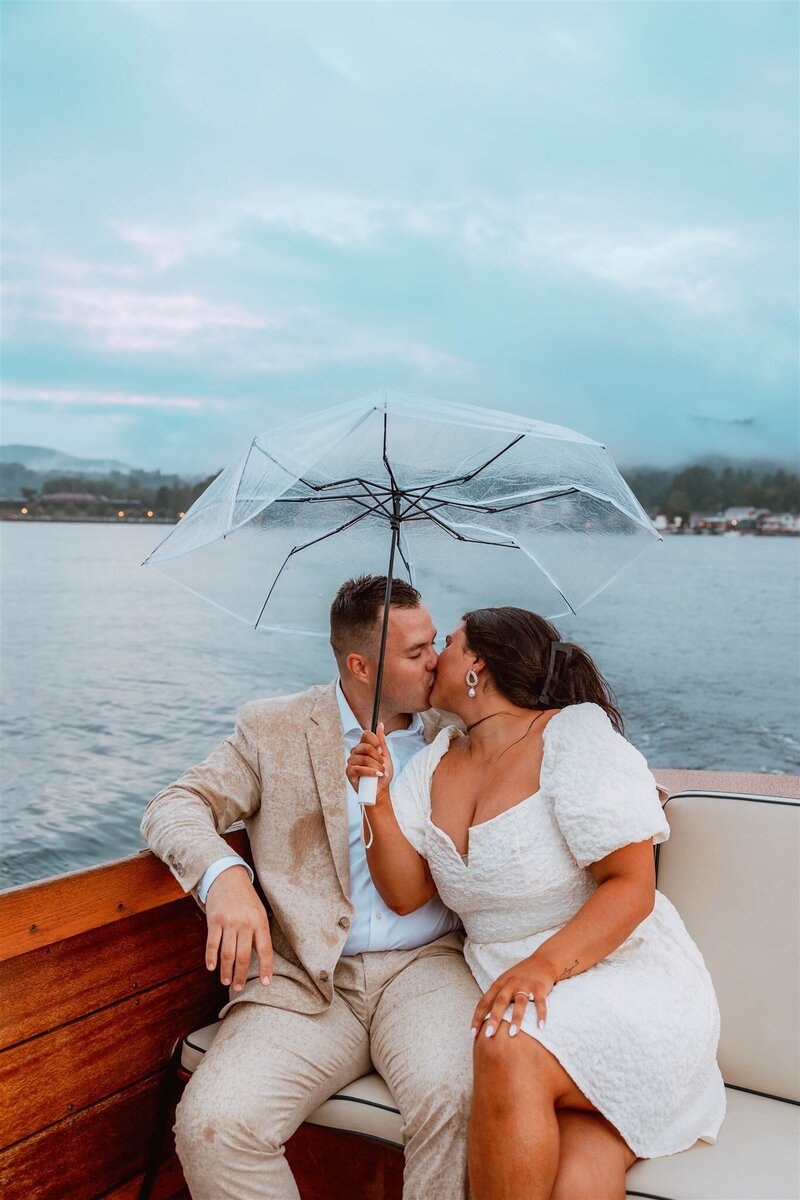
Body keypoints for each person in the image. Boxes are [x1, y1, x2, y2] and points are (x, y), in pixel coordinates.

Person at [347, 606, 726, 1200]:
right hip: (525, 995)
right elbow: (405, 893)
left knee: (504, 1042)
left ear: (476, 666)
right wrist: (375, 801)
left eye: (447, 642)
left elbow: (632, 886)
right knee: (577, 1177)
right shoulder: (434, 762)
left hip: (619, 980)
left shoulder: (572, 737)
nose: (435, 656)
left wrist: (542, 968)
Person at [141, 575, 481, 1200]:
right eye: (416, 652)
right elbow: (175, 805)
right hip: (306, 982)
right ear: (359, 664)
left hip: (429, 966)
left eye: (434, 642)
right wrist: (226, 878)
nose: (437, 661)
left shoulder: (458, 729)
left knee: (460, 1100)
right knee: (213, 1125)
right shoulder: (273, 729)